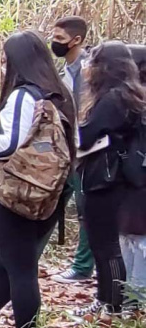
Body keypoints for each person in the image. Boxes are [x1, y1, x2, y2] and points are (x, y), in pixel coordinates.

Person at [0, 31, 76, 328]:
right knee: (13, 260)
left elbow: (8, 147)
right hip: (51, 192)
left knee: (22, 269)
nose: (2, 66)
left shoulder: (23, 96)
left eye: (4, 60)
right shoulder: (61, 93)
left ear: (17, 62)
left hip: (16, 193)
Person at [72, 41, 146, 317]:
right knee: (105, 244)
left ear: (104, 67)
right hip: (114, 178)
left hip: (105, 178)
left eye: (92, 62)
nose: (87, 68)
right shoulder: (128, 95)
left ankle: (111, 303)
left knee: (105, 245)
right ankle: (106, 300)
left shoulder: (113, 99)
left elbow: (86, 136)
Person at [50, 16, 96, 284]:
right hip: (68, 149)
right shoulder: (66, 70)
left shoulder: (88, 71)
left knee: (86, 208)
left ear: (76, 40)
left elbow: (87, 113)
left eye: (59, 39)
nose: (54, 43)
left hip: (87, 151)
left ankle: (83, 266)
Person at [123, 44, 146, 307]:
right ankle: (127, 296)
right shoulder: (131, 99)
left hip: (140, 180)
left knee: (140, 241)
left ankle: (136, 300)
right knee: (127, 237)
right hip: (130, 179)